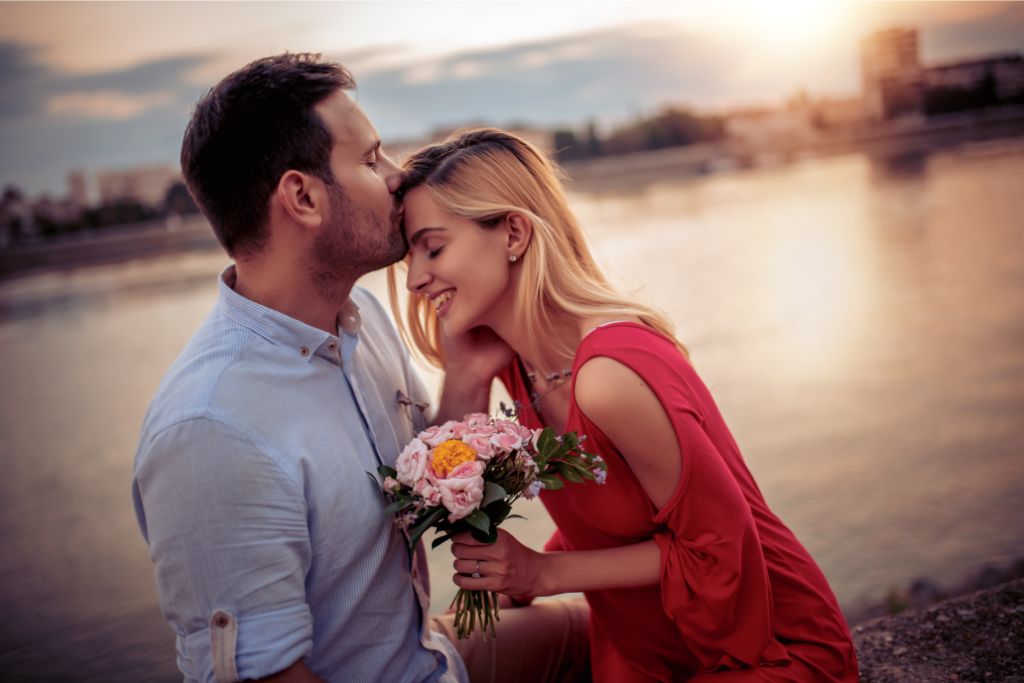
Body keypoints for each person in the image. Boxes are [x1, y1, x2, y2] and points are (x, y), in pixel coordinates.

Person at [132, 56, 587, 683]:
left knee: (608, 630)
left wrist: (467, 375)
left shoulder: (360, 318)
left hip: (427, 654)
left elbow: (429, 494)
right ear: (302, 197)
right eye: (372, 160)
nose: (399, 176)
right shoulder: (213, 432)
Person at [394, 128, 860, 681]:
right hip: (638, 646)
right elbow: (467, 497)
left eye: (434, 247)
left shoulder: (609, 375)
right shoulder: (521, 368)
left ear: (513, 232)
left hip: (767, 648)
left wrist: (542, 574)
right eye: (410, 258)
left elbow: (720, 550)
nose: (417, 279)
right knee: (429, 655)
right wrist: (466, 375)